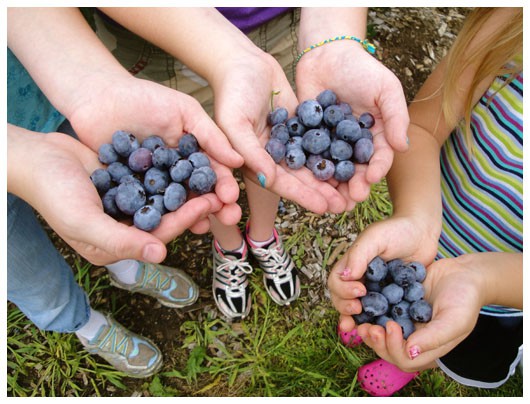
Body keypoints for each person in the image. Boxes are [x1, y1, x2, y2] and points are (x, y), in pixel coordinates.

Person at [90, 6, 410, 320]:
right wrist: (228, 57)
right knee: (204, 158)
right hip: (157, 33)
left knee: (264, 152)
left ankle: (262, 236)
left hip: (280, 22)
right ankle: (229, 246)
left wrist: (336, 39)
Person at [7, 7, 244, 377]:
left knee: (97, 200)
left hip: (43, 91)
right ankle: (82, 324)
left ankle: (127, 268)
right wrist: (19, 159)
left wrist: (92, 85)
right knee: (22, 268)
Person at [327, 7, 522, 396]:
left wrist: (481, 280)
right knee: (402, 313)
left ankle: (425, 357)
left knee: (460, 342)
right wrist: (416, 218)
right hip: (433, 233)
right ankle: (398, 336)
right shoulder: (515, 25)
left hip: (508, 302)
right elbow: (422, 128)